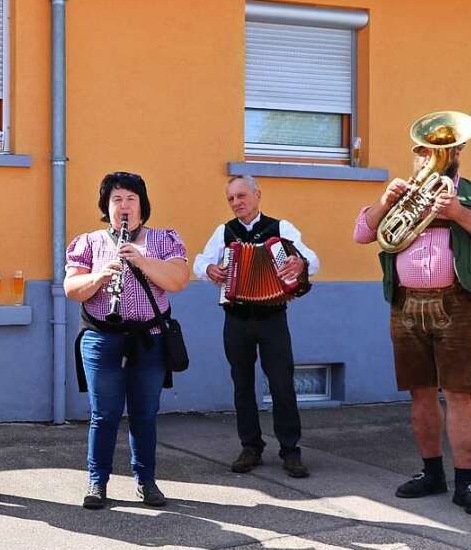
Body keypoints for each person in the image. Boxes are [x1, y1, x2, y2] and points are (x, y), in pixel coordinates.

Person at [353, 132, 471, 515]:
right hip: (405, 303)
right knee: (420, 392)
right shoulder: (402, 195)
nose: (430, 158)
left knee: (460, 394)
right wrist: (385, 203)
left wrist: (459, 213)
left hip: (457, 301)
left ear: (459, 153)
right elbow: (363, 234)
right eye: (423, 151)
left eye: (441, 151)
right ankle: (431, 473)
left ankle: (467, 483)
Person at [64, 171, 189, 510]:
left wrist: (142, 260)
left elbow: (178, 280)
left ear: (141, 205)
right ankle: (97, 481)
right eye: (116, 199)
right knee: (103, 415)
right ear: (107, 205)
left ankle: (146, 481)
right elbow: (72, 288)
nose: (124, 205)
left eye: (131, 199)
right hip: (102, 339)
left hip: (149, 339)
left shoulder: (164, 239)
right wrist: (100, 276)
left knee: (145, 414)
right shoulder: (89, 242)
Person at [193, 176, 319, 478]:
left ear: (257, 195)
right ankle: (250, 446)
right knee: (242, 384)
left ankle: (291, 450)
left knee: (281, 384)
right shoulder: (225, 232)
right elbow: (199, 262)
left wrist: (299, 263)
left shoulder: (281, 228)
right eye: (231, 199)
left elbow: (312, 260)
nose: (237, 203)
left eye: (242, 196)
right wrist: (210, 270)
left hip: (273, 316)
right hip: (236, 317)